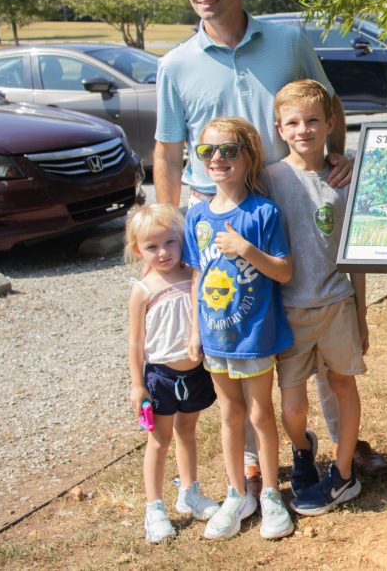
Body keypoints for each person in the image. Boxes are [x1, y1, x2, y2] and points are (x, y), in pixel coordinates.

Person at [154, 0, 387, 489]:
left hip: (291, 201)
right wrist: (166, 229)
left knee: (318, 311)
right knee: (244, 331)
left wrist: (335, 155)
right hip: (218, 216)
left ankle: (341, 449)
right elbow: (167, 150)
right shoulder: (175, 65)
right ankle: (260, 456)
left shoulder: (287, 41)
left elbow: (326, 104)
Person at [183, 118, 295, 540]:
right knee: (229, 415)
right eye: (207, 151)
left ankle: (270, 493)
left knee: (260, 413)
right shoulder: (195, 215)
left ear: (249, 156)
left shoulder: (264, 212)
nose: (217, 159)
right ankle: (236, 493)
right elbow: (197, 278)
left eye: (229, 151)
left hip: (256, 335)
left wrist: (246, 249)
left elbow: (284, 271)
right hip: (216, 336)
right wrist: (195, 332)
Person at [261, 79, 369, 516]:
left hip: (337, 304)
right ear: (279, 128)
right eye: (292, 122)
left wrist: (362, 316)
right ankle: (303, 449)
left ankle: (343, 473)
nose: (302, 129)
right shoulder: (267, 180)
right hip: (289, 312)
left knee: (343, 384)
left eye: (312, 121)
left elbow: (357, 255)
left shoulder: (346, 178)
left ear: (329, 125)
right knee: (292, 405)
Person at [125, 204, 219, 543]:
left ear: (182, 240)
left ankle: (190, 491)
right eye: (152, 246)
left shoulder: (193, 275)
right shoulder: (143, 290)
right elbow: (136, 342)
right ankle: (154, 507)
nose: (163, 252)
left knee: (188, 433)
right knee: (159, 440)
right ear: (138, 250)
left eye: (170, 242)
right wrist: (138, 385)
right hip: (161, 377)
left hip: (194, 373)